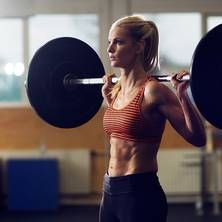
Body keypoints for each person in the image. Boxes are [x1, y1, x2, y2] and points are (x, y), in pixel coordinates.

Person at [100, 15, 206, 222]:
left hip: (139, 193)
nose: (110, 49)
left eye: (118, 42)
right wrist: (108, 98)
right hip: (109, 191)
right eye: (109, 42)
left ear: (139, 46)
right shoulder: (116, 90)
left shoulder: (153, 91)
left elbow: (198, 138)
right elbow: (122, 132)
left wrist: (182, 96)